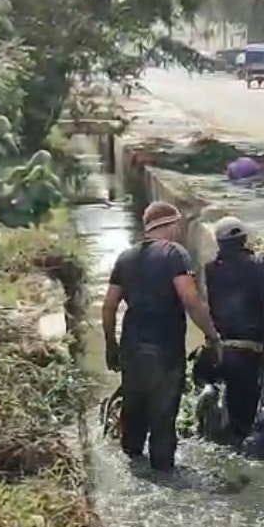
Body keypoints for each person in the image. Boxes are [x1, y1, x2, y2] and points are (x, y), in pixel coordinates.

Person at [102, 201, 224, 470]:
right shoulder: (175, 254)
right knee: (163, 417)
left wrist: (110, 345)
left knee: (133, 410)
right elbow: (191, 300)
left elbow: (109, 306)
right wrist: (212, 336)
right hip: (165, 350)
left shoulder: (126, 257)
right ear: (171, 225)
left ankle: (132, 458)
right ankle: (164, 471)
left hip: (132, 348)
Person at [199, 216, 264, 444]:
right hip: (245, 355)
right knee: (241, 431)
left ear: (219, 243)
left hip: (214, 353)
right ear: (244, 239)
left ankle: (210, 392)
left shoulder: (211, 269)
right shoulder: (258, 266)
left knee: (224, 410)